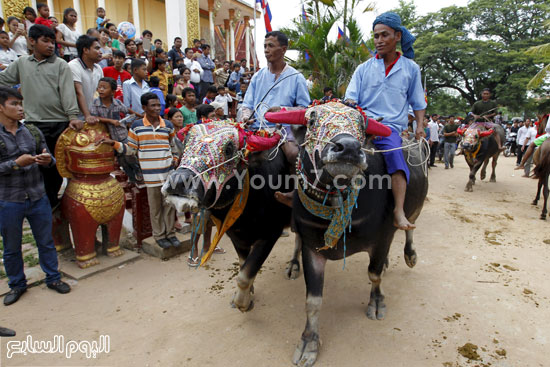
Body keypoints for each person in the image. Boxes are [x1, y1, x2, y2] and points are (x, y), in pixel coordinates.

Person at [345, 12, 426, 230]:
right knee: (331, 148)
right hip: (360, 123)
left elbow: (418, 102)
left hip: (388, 128)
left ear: (397, 36)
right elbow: (351, 97)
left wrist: (419, 126)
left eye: (384, 35)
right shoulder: (363, 68)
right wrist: (351, 105)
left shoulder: (410, 68)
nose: (379, 40)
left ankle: (399, 210)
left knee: (394, 155)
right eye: (376, 36)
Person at [0, 87, 71, 306]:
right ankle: (17, 284)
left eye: (21, 103)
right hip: (9, 199)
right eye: (14, 104)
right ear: (1, 107)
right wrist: (14, 164)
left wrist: (46, 160)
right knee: (12, 246)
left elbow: (51, 158)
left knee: (46, 241)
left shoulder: (32, 131)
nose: (20, 108)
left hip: (37, 195)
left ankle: (53, 277)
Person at [0, 25, 82, 208]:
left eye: (53, 42)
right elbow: (3, 79)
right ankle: (45, 203)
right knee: (37, 166)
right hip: (33, 124)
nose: (51, 45)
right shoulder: (22, 63)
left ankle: (52, 203)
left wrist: (72, 116)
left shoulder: (61, 64)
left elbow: (68, 92)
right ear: (31, 41)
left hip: (59, 123)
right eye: (45, 41)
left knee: (56, 167)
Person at [98, 92, 181, 249]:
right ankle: (159, 235)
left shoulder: (168, 126)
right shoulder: (137, 127)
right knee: (155, 208)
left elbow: (173, 147)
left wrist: (174, 161)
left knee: (169, 206)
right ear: (144, 108)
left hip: (168, 173)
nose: (157, 108)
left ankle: (170, 234)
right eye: (153, 105)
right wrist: (114, 143)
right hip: (150, 176)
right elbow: (131, 150)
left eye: (158, 105)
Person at [90, 77, 142, 183]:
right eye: (99, 87)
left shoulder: (117, 103)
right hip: (108, 138)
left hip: (121, 135)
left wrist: (138, 115)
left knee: (129, 156)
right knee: (122, 160)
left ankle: (138, 171)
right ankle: (132, 179)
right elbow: (94, 118)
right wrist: (110, 121)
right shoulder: (95, 103)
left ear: (113, 91)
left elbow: (127, 110)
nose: (101, 90)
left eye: (104, 88)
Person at [69, 35, 103, 124]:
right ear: (86, 50)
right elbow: (78, 92)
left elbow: (99, 91)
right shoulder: (73, 66)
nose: (100, 52)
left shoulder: (98, 68)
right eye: (97, 48)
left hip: (95, 115)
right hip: (79, 117)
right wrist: (87, 115)